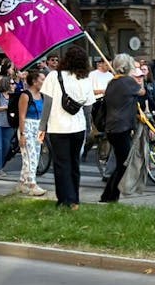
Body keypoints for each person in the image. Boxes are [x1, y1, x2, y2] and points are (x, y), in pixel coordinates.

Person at [45, 44, 96, 208]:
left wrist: (41, 127)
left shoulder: (54, 76)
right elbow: (88, 108)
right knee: (74, 164)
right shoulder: (86, 80)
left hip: (57, 126)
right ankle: (75, 199)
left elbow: (47, 104)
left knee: (61, 164)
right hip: (78, 127)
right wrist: (88, 129)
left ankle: (64, 199)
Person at [100, 53, 144, 203]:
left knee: (121, 163)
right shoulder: (127, 82)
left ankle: (109, 196)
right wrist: (139, 78)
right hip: (122, 127)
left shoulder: (112, 82)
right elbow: (142, 91)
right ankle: (109, 196)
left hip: (112, 127)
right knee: (124, 164)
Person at [16, 68, 47, 196]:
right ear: (34, 81)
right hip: (27, 127)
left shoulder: (42, 95)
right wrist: (22, 135)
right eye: (42, 79)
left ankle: (22, 183)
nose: (44, 82)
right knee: (31, 157)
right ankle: (32, 184)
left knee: (35, 155)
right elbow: (21, 116)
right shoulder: (25, 95)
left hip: (38, 128)